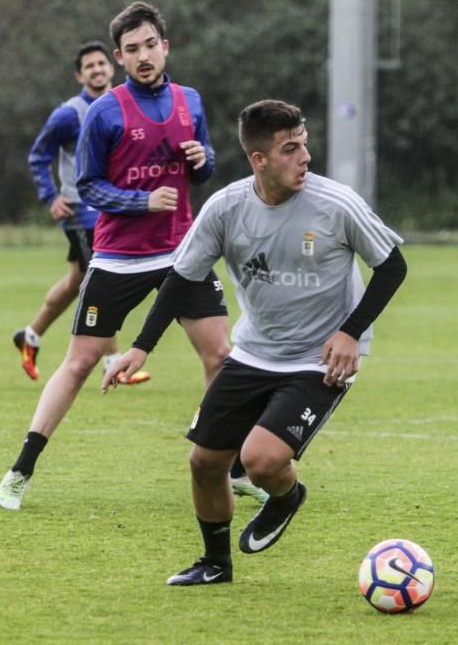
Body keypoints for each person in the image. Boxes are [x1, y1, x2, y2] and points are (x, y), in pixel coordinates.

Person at [101, 100, 408, 586]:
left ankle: (286, 495)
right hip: (252, 351)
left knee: (260, 460)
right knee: (204, 462)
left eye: (305, 143)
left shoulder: (337, 204)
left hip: (319, 359)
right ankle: (215, 565)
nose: (305, 156)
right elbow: (181, 278)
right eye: (291, 148)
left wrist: (351, 331)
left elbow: (392, 266)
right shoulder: (226, 209)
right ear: (258, 159)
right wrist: (141, 346)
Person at [0, 1, 231, 510]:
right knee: (80, 362)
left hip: (182, 253)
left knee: (221, 356)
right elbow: (88, 187)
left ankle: (219, 464)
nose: (143, 55)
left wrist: (202, 158)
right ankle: (21, 470)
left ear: (164, 47)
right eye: (131, 50)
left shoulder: (191, 100)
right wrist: (140, 201)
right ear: (120, 59)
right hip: (120, 257)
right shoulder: (103, 111)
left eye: (150, 45)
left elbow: (206, 169)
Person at [15, 41, 150, 386]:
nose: (97, 70)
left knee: (78, 281)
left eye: (101, 64)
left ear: (112, 67)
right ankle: (113, 361)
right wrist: (50, 196)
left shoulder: (121, 104)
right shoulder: (69, 113)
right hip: (82, 211)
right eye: (89, 66)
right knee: (101, 281)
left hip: (109, 207)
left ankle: (30, 336)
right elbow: (38, 156)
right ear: (79, 74)